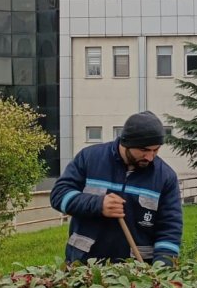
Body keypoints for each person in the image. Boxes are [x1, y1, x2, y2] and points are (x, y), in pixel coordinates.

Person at [50, 111, 183, 265]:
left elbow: (170, 229)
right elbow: (59, 196)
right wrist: (98, 205)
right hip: (84, 265)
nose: (150, 157)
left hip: (136, 274)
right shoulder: (89, 158)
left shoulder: (165, 177)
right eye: (144, 150)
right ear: (126, 143)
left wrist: (162, 271)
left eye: (156, 150)